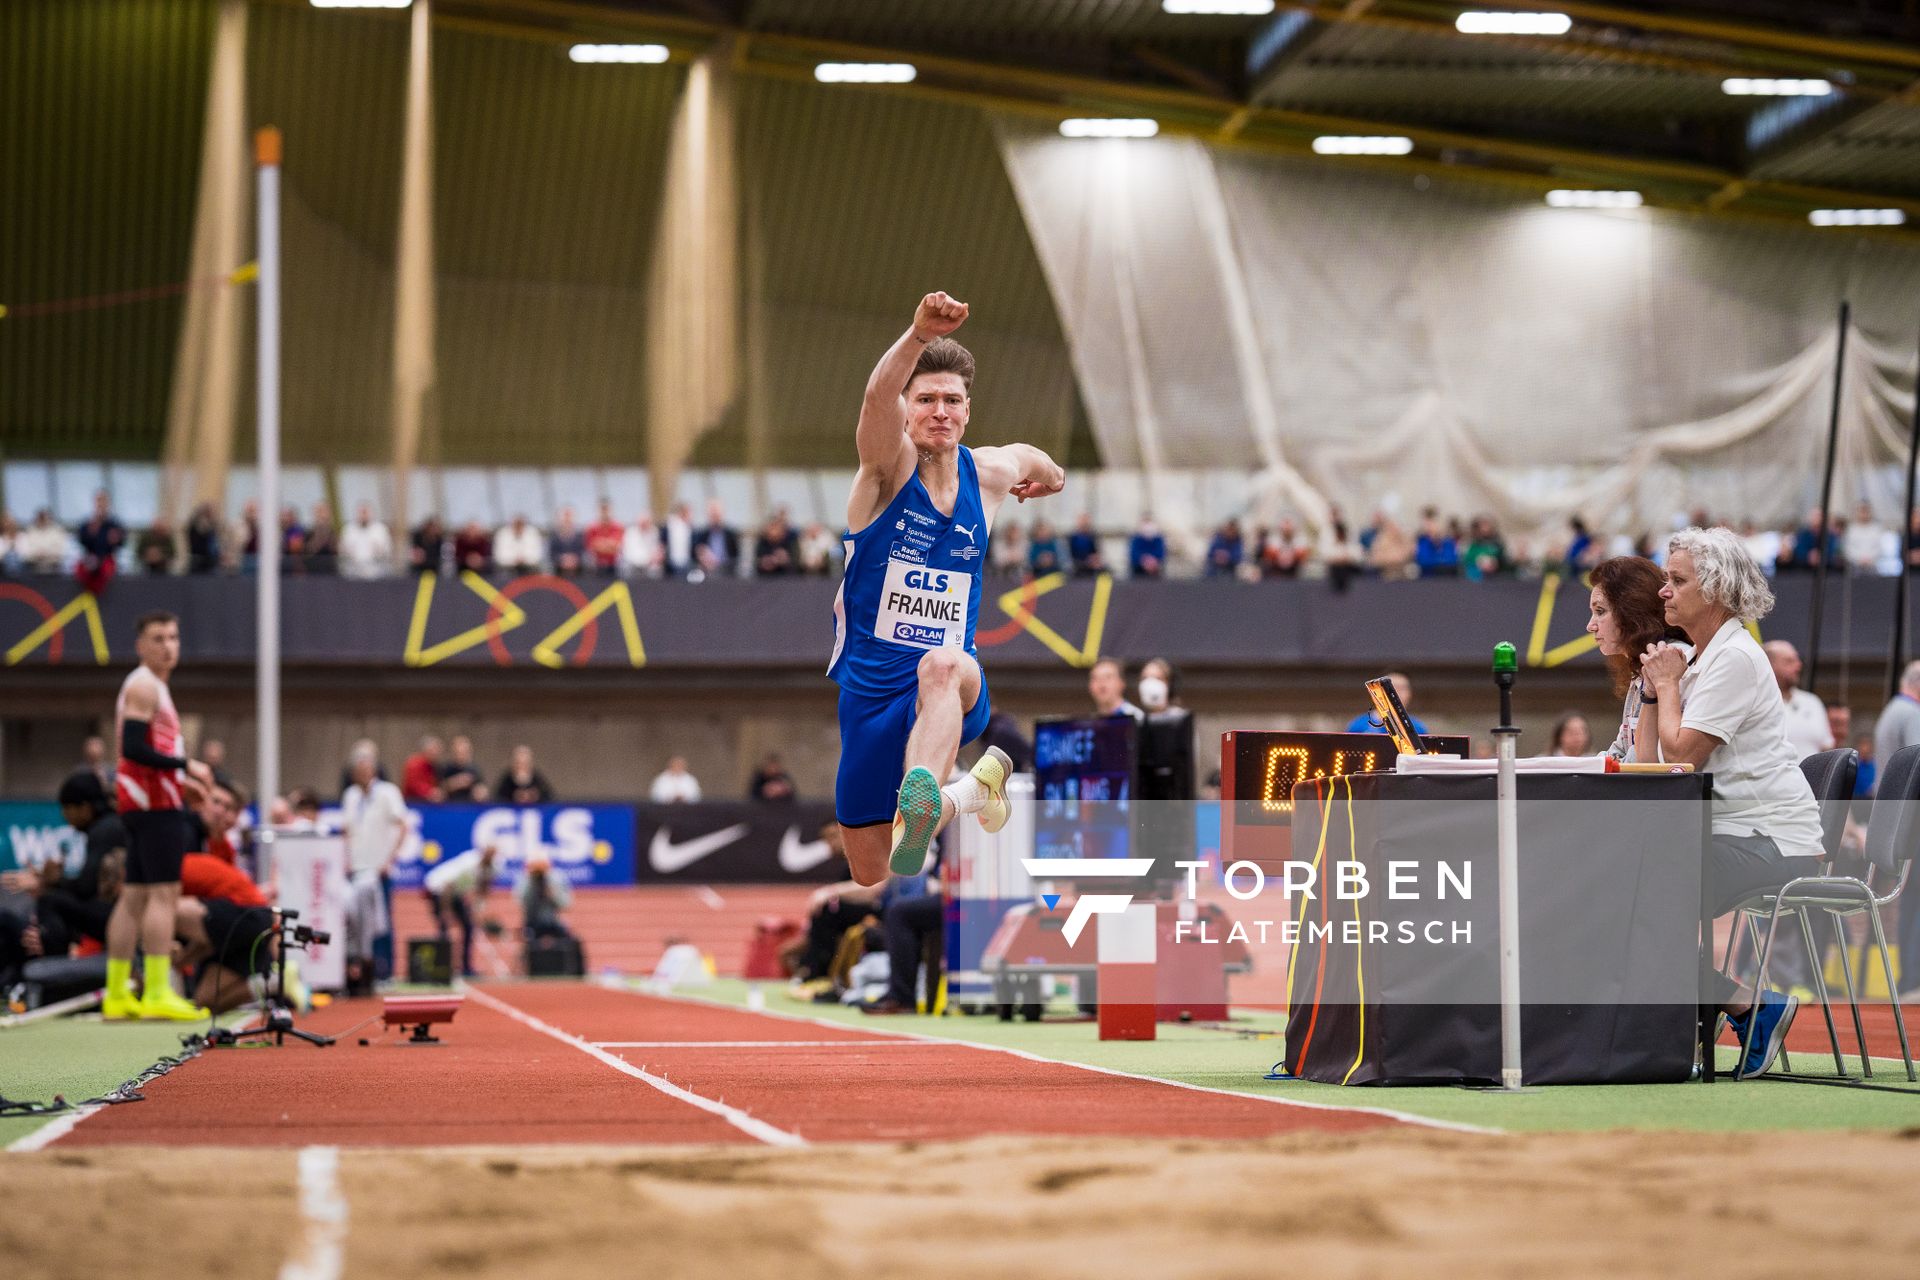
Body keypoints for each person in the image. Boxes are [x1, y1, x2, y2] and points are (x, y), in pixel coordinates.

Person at [828, 291, 1060, 885]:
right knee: (871, 870)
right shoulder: (884, 470)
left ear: (967, 410)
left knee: (942, 665)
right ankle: (970, 794)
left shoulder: (987, 475)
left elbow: (1032, 456)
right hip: (872, 687)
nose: (939, 410)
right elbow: (876, 396)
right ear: (907, 412)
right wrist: (917, 336)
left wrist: (1051, 481)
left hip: (954, 681)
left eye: (951, 400)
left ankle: (933, 793)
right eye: (926, 399)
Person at [1636, 526, 1825, 1078]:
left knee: (1637, 893)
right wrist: (1654, 689)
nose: (1663, 591)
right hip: (1738, 836)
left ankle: (1746, 1005)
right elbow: (1651, 767)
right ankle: (1724, 1006)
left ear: (1714, 590)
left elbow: (1682, 758)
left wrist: (1667, 687)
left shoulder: (1736, 658)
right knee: (1627, 889)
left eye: (1677, 580)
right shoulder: (1701, 658)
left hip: (1773, 842)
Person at [103, 612, 216, 1020]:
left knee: (133, 897)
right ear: (140, 645)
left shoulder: (151, 686)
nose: (168, 646)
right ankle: (154, 990)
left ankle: (117, 993)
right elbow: (132, 748)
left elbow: (141, 753)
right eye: (157, 638)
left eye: (173, 637)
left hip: (146, 800)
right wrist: (187, 765)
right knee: (163, 895)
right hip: (152, 806)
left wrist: (179, 780)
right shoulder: (145, 685)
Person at [1586, 556, 1690, 763]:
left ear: (1631, 611)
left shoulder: (1675, 659)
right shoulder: (1640, 667)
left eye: (1600, 611)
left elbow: (1652, 759)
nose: (1591, 626)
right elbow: (1623, 747)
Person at [341, 742, 410, 989]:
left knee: (382, 922)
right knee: (357, 923)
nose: (361, 771)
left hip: (378, 869)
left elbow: (403, 825)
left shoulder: (388, 793)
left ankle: (385, 971)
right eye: (357, 767)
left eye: (365, 766)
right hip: (356, 870)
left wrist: (390, 860)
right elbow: (346, 831)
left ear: (373, 768)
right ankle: (363, 971)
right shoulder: (350, 796)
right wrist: (346, 860)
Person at [423, 843, 498, 978]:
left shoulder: (494, 866)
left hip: (456, 892)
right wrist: (446, 911)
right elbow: (447, 886)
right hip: (438, 889)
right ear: (483, 854)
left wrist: (478, 911)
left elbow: (483, 889)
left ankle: (466, 967)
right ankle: (441, 967)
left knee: (468, 926)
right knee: (444, 927)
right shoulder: (468, 863)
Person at [1763, 639, 1833, 760]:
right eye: (1789, 661)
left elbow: (1827, 747)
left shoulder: (1813, 702)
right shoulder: (1759, 703)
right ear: (1769, 664)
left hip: (1812, 779)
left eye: (1797, 660)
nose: (1798, 666)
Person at [1346, 672, 1429, 736]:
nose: (1396, 693)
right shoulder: (1358, 725)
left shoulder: (1418, 728)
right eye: (1391, 688)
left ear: (1410, 694)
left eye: (1402, 688)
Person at [338, 502, 393, 579]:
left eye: (365, 512)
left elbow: (387, 550)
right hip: (353, 572)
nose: (363, 515)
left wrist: (379, 550)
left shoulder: (380, 529)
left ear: (371, 513)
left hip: (376, 572)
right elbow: (342, 549)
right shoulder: (348, 529)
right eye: (361, 512)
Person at [1088, 656, 1144, 722]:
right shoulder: (1089, 722)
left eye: (1108, 677)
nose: (1101, 684)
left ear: (1122, 683)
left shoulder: (1137, 718)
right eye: (1095, 678)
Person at [440, 735, 490, 803]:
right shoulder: (446, 769)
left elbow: (481, 788)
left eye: (464, 752)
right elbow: (439, 789)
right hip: (449, 805)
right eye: (458, 752)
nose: (461, 756)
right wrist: (455, 783)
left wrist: (481, 792)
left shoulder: (474, 770)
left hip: (468, 806)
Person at [402, 735, 446, 804]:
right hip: (414, 803)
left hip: (428, 803)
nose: (438, 753)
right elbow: (414, 784)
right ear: (427, 749)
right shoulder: (414, 763)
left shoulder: (433, 765)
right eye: (435, 749)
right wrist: (430, 792)